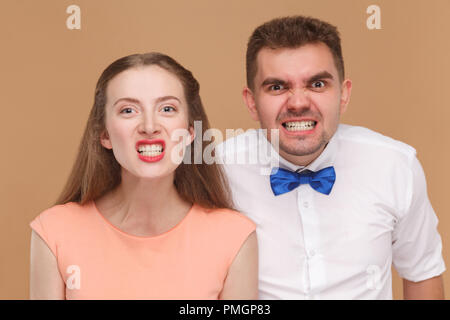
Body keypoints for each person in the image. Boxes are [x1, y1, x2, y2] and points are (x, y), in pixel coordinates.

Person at [216, 16, 445, 299]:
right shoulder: (216, 171)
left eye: (317, 84)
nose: (298, 102)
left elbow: (422, 274)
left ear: (344, 94)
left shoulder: (395, 165)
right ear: (252, 102)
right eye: (277, 87)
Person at [29, 52, 258, 300]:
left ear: (191, 131)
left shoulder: (234, 237)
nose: (149, 126)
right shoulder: (54, 232)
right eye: (128, 110)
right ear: (104, 134)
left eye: (167, 109)